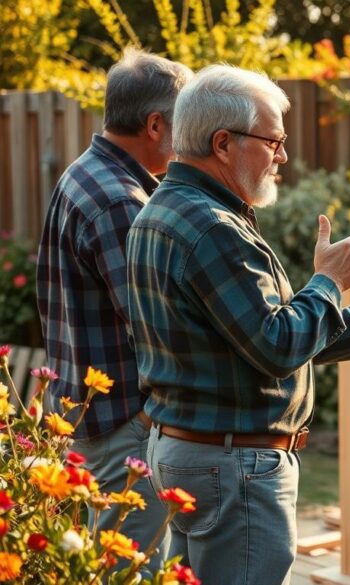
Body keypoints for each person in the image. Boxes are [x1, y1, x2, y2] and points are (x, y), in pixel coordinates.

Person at [126, 64, 350, 585]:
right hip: (233, 468)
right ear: (224, 143)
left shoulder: (164, 210)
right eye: (273, 141)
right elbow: (279, 345)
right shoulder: (212, 229)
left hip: (192, 455)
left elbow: (280, 341)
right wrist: (328, 281)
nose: (282, 155)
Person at [35, 48, 193, 571]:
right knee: (132, 572)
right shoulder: (120, 202)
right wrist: (148, 418)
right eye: (185, 123)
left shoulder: (86, 173)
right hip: (121, 422)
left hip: (87, 413)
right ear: (154, 125)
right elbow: (157, 327)